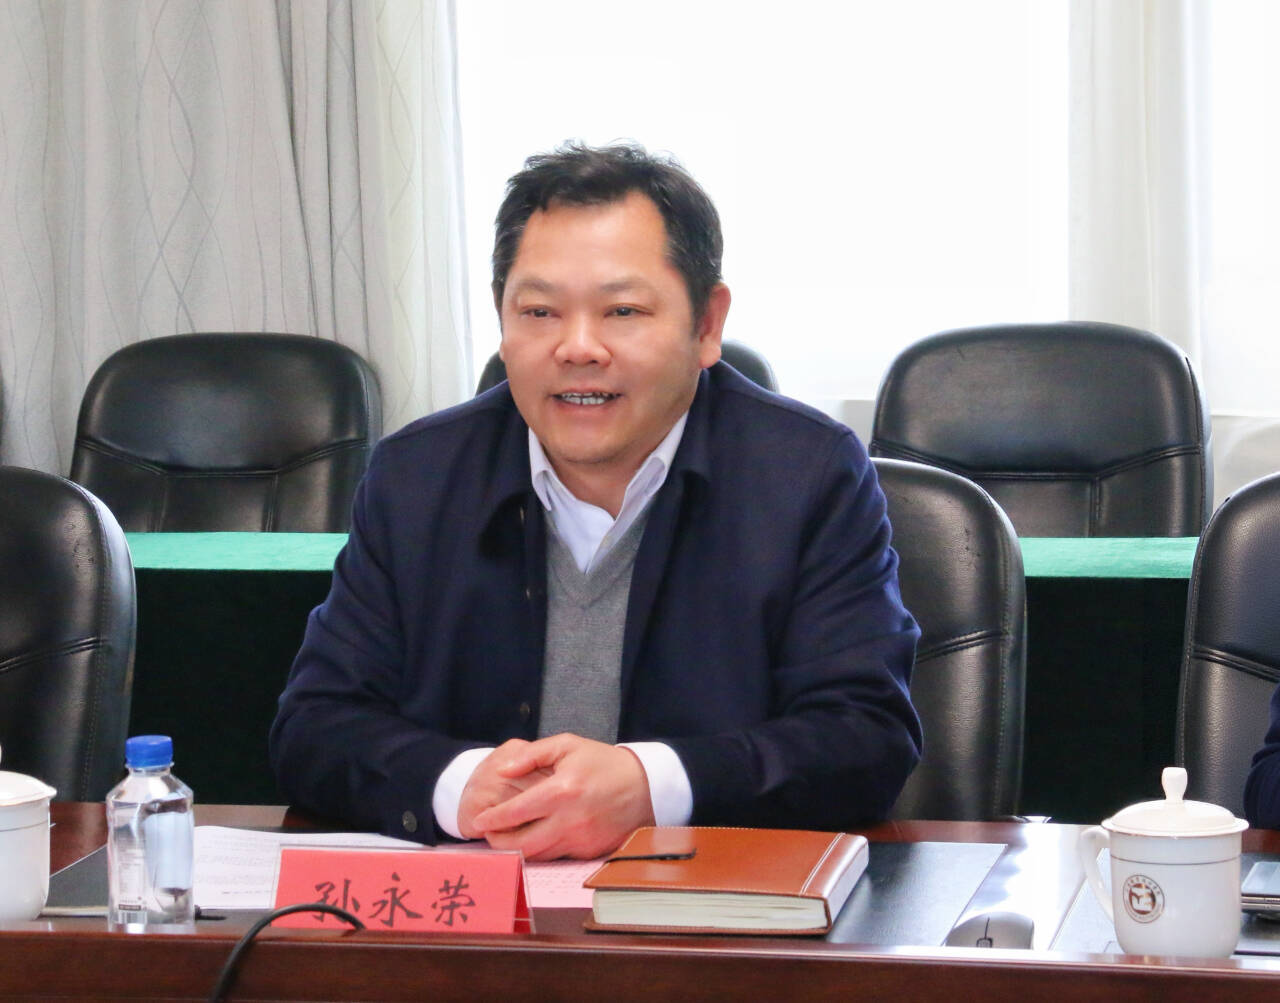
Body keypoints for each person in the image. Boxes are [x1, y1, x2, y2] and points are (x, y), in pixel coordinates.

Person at [269, 142, 922, 860]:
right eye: (540, 311)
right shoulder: (417, 476)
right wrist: (459, 786)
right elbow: (314, 726)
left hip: (707, 913)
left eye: (622, 310)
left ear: (707, 325)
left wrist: (650, 787)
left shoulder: (807, 475)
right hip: (478, 914)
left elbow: (864, 738)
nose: (578, 348)